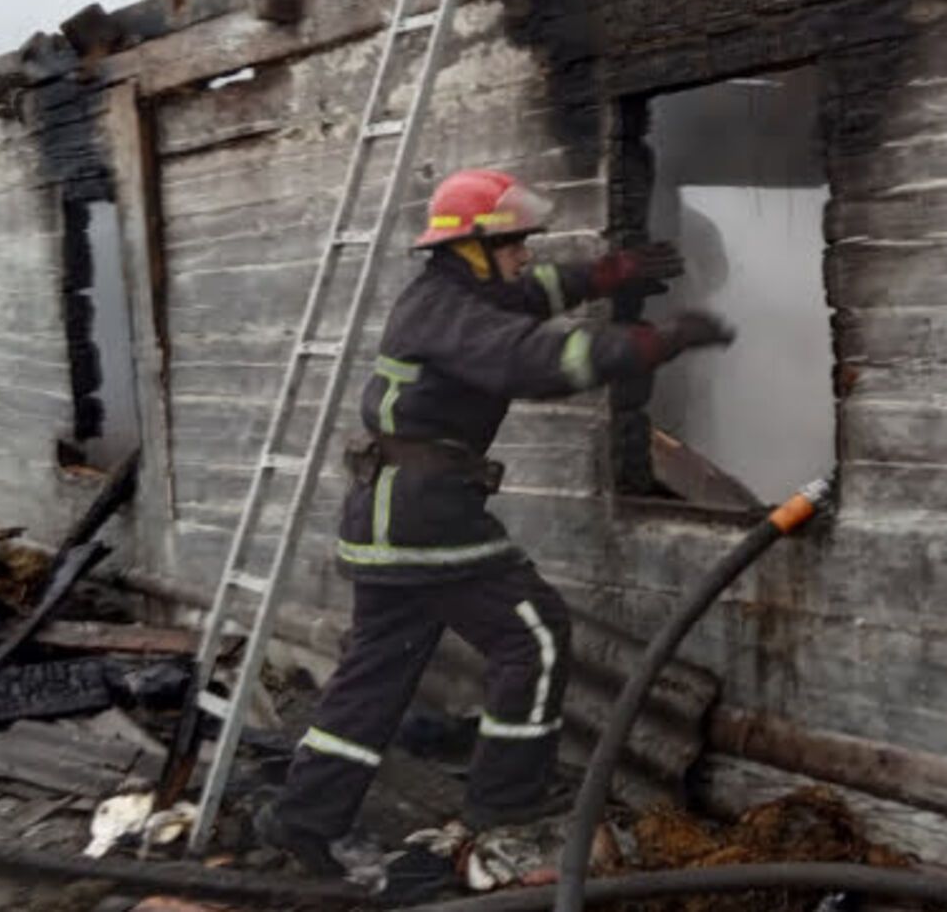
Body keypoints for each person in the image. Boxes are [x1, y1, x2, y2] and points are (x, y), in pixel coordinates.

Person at [256, 169, 734, 872]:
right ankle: (507, 797)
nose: (524, 256)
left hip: (394, 515)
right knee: (534, 635)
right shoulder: (445, 312)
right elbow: (530, 358)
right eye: (512, 243)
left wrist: (608, 274)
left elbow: (530, 296)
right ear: (472, 248)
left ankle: (302, 817)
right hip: (424, 516)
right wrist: (651, 343)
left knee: (378, 671)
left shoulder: (459, 292)